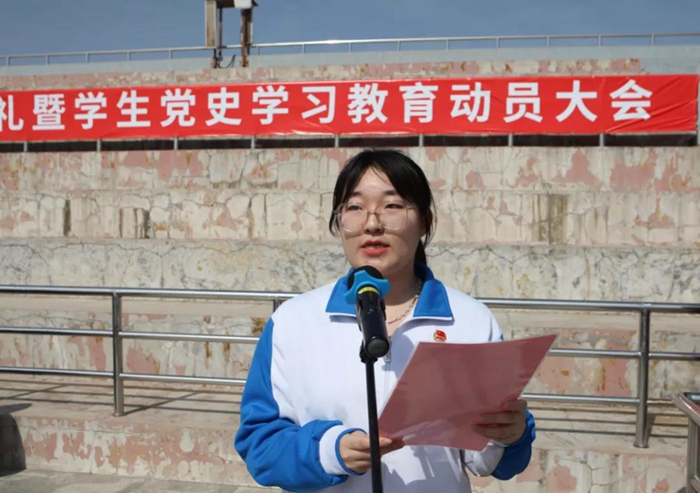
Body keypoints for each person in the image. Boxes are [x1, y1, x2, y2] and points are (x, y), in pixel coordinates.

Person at [234, 149, 536, 492]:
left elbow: (486, 461)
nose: (372, 224)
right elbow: (259, 443)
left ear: (425, 221)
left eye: (392, 206)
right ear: (339, 222)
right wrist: (328, 452)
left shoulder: (471, 321)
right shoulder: (293, 322)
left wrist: (508, 435)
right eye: (355, 207)